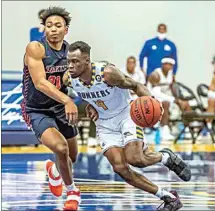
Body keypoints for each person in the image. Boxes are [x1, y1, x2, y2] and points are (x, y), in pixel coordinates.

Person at [63, 41, 191, 211]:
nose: (70, 66)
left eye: (75, 61)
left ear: (87, 61)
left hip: (127, 115)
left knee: (136, 159)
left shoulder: (107, 73)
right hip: (104, 123)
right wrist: (91, 104)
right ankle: (168, 197)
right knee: (120, 168)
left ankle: (165, 157)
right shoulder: (69, 78)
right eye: (69, 61)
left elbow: (136, 86)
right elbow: (86, 93)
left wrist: (152, 104)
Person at [21, 6, 81, 211]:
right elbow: (39, 83)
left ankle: (54, 172)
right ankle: (72, 192)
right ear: (44, 29)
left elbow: (80, 80)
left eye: (58, 25)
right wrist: (67, 100)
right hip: (36, 108)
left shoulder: (71, 52)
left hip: (60, 107)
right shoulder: (36, 48)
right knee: (61, 148)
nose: (53, 29)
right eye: (49, 26)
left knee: (72, 156)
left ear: (66, 30)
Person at [148, 57, 191, 142]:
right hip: (153, 97)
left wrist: (179, 99)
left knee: (185, 104)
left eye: (170, 65)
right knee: (166, 104)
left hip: (166, 97)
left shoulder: (171, 75)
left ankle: (187, 129)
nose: (168, 66)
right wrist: (173, 99)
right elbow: (155, 93)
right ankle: (165, 131)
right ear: (162, 64)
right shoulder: (155, 74)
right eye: (166, 64)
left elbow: (173, 88)